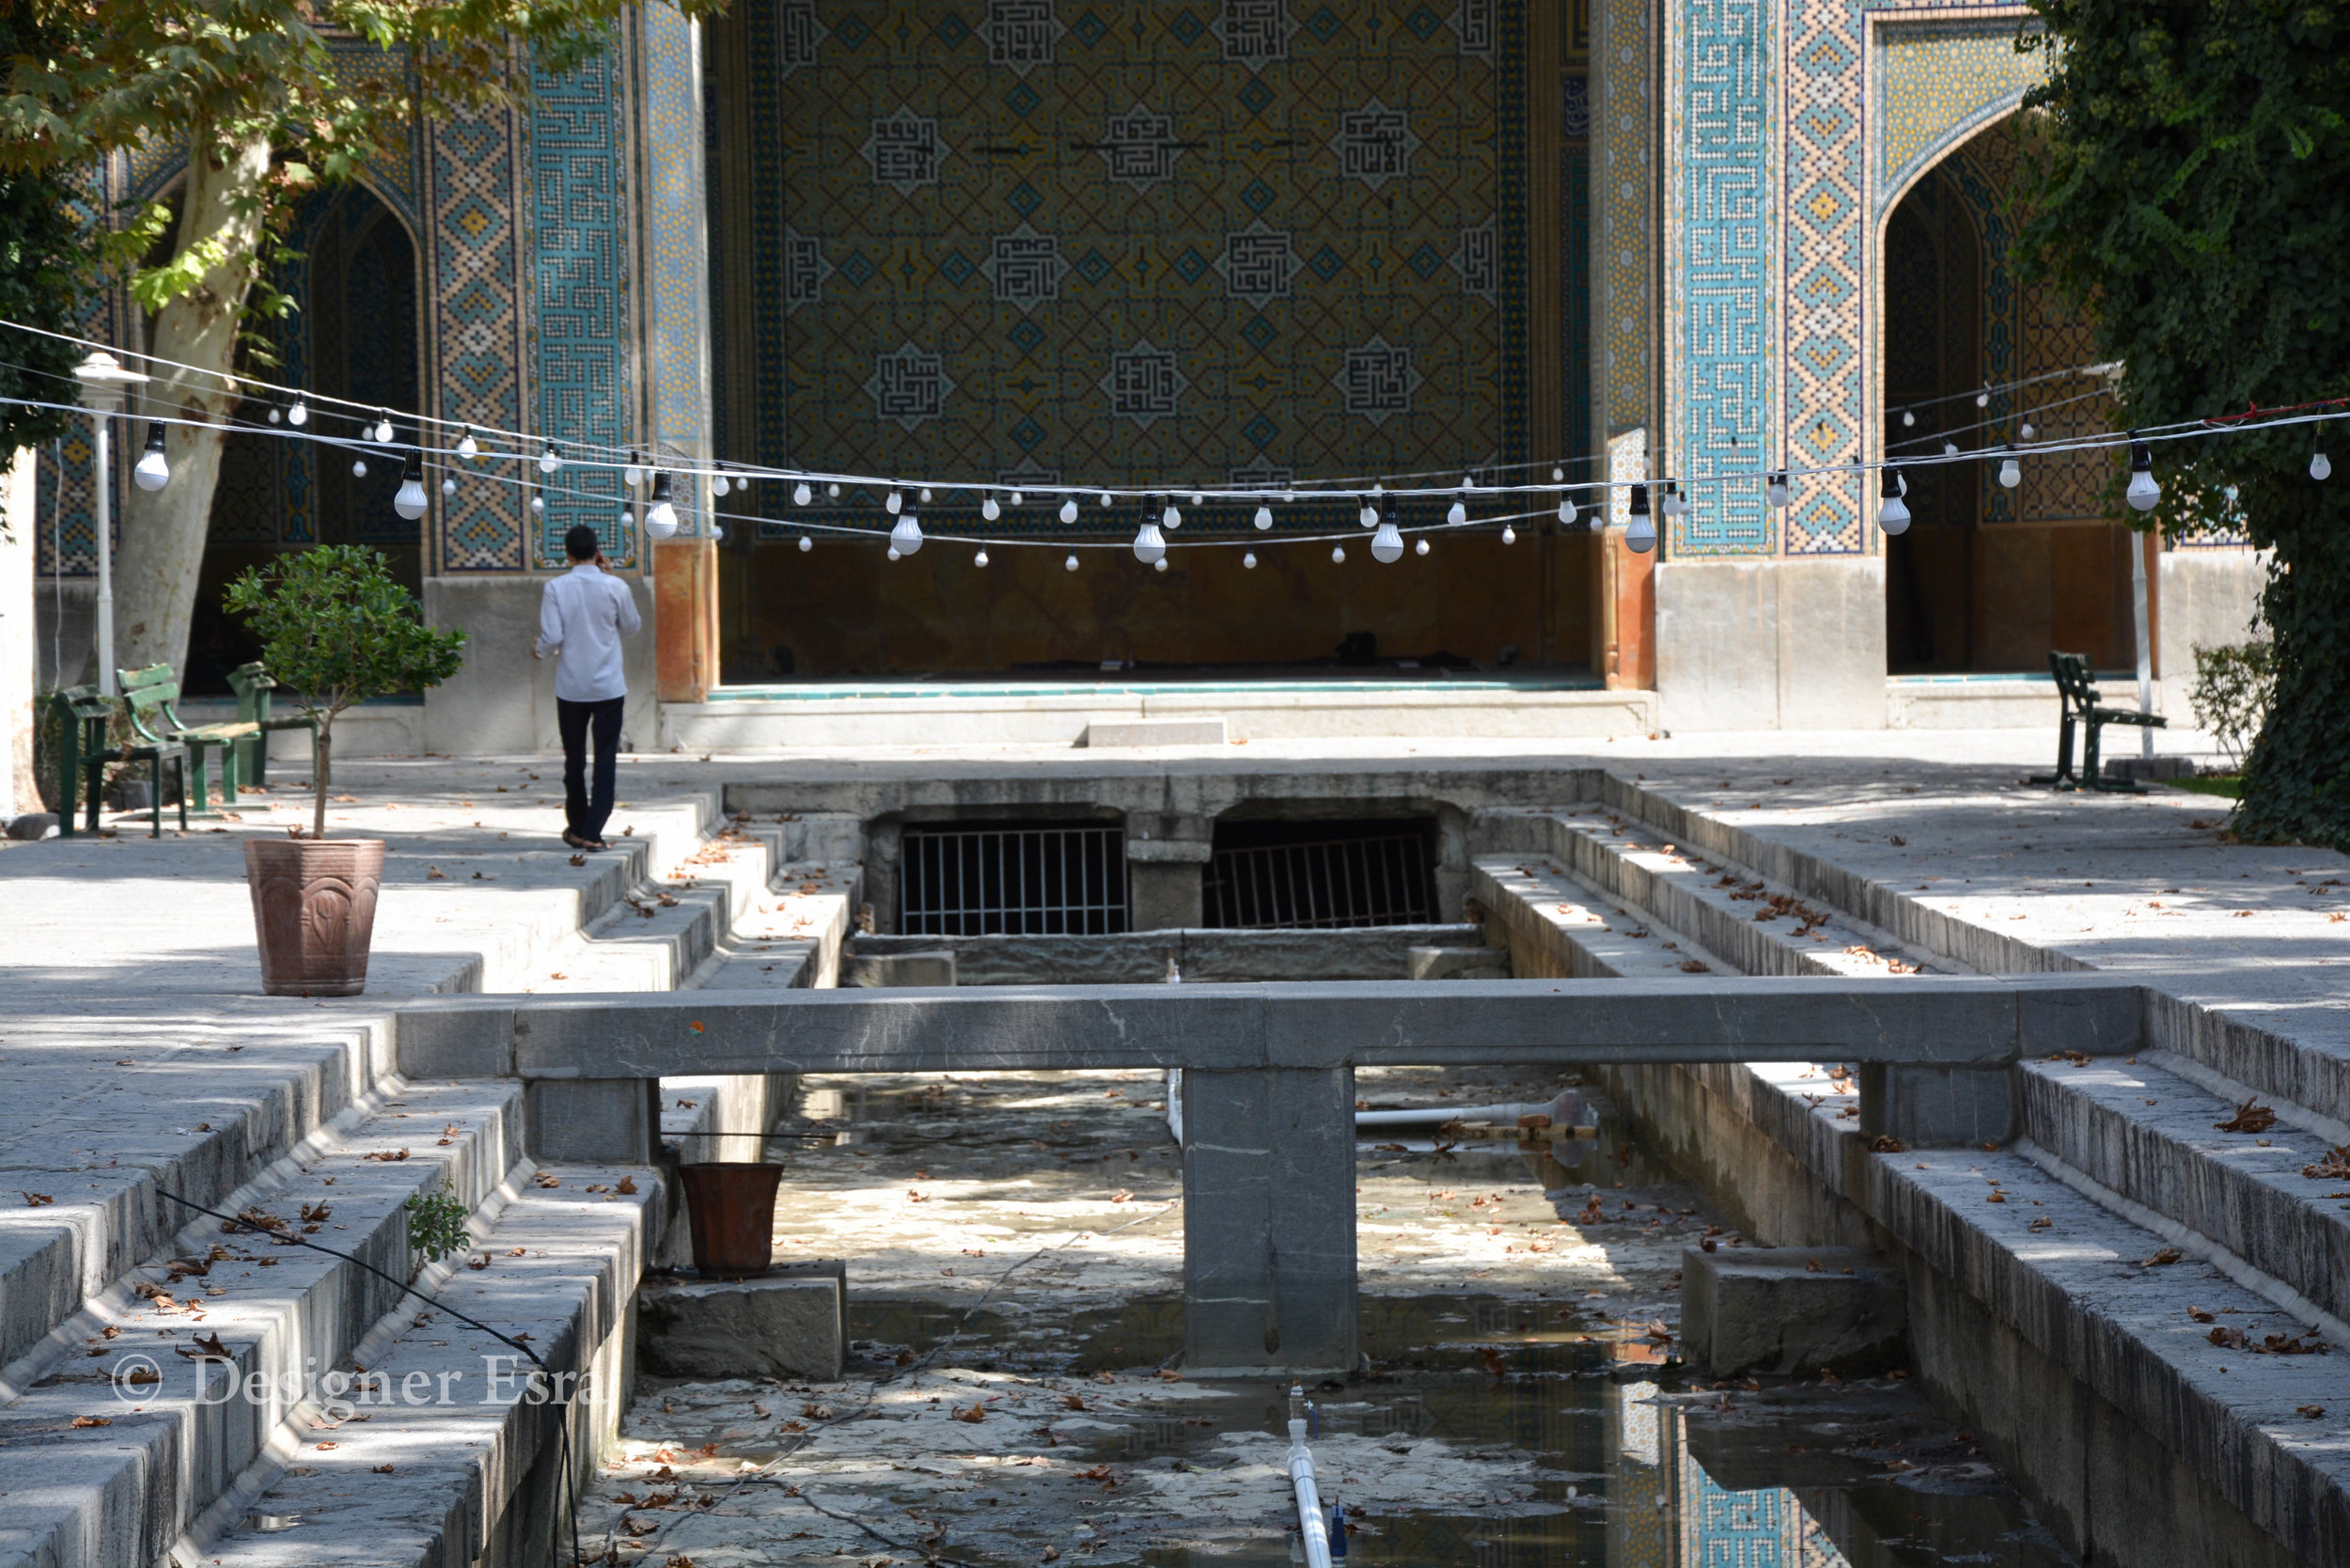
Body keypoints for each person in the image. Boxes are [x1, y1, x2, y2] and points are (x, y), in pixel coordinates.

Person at [534, 524, 641, 850]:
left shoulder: (555, 587)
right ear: (598, 552)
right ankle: (592, 831)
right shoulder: (616, 586)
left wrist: (537, 650)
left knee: (575, 760)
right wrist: (612, 577)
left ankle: (578, 827)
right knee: (605, 759)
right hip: (609, 687)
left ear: (567, 554)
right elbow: (632, 627)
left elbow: (552, 638)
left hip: (571, 688)